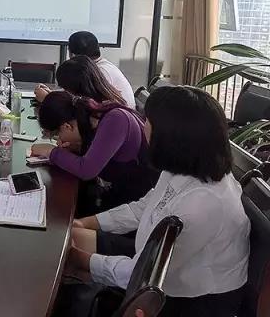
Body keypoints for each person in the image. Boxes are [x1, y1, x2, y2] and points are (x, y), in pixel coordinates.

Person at [65, 86, 250, 317]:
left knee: (68, 263)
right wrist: (86, 222)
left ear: (171, 137)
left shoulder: (204, 203)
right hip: (155, 254)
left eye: (149, 121)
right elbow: (144, 208)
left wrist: (81, 261)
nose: (143, 126)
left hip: (192, 298)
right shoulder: (184, 167)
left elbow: (143, 276)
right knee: (73, 236)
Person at [30, 91, 158, 213]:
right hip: (122, 192)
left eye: (57, 135)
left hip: (139, 203)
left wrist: (51, 151)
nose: (59, 141)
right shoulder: (93, 118)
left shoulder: (115, 120)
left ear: (66, 126)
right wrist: (76, 149)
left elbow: (86, 170)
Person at [68, 31, 135, 108]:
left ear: (73, 55)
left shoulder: (100, 71)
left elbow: (91, 103)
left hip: (119, 113)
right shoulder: (101, 66)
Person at [35, 55, 126, 105]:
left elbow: (71, 116)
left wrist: (47, 99)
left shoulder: (99, 109)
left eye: (66, 88)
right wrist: (52, 95)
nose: (65, 91)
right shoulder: (103, 95)